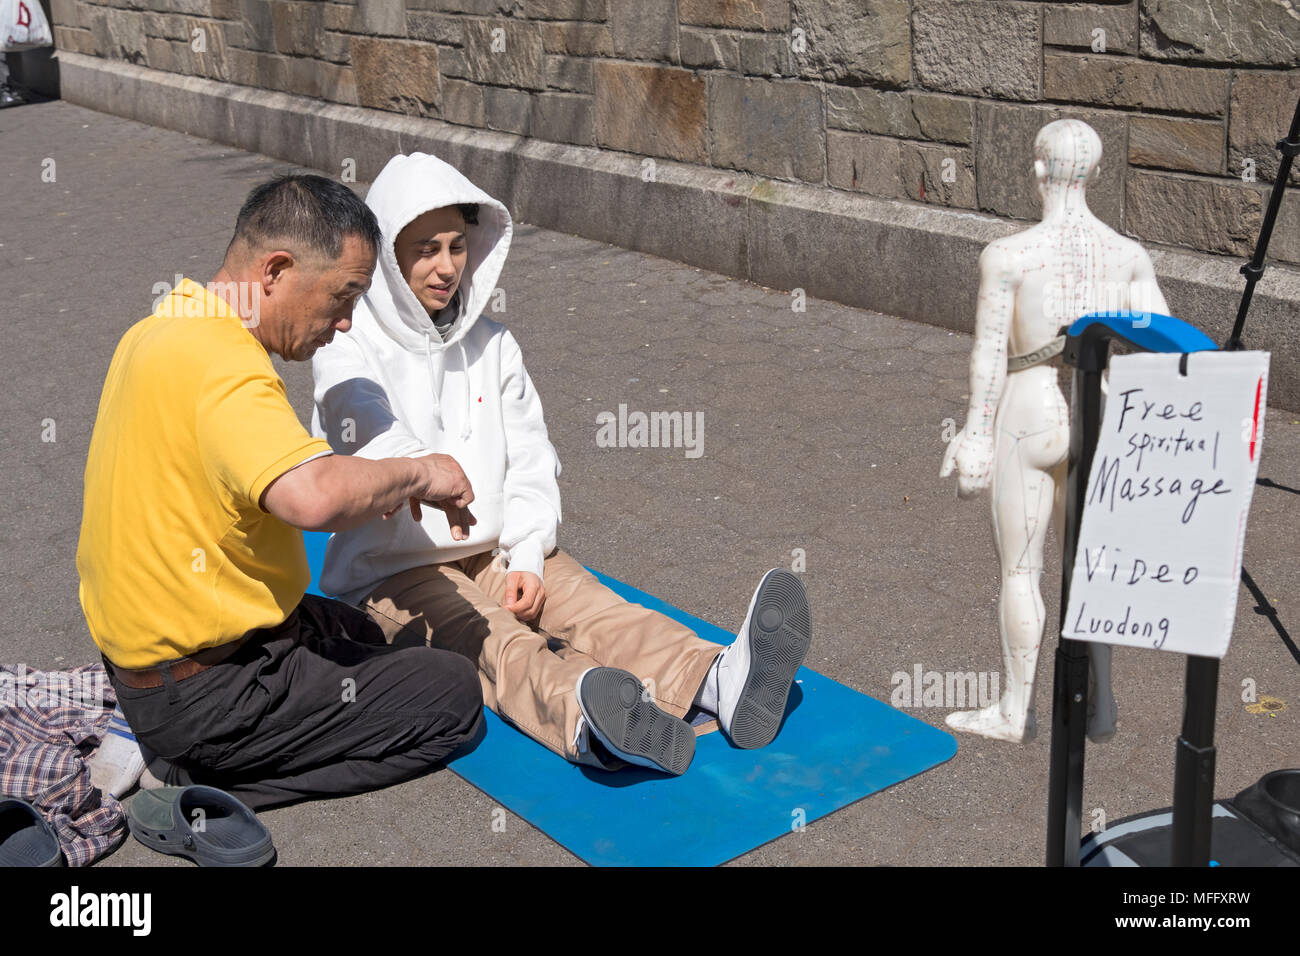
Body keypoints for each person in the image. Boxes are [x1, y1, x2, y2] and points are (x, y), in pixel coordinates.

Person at [312, 152, 813, 776]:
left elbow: (529, 455)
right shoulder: (345, 339)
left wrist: (525, 554)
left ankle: (717, 679)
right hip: (393, 571)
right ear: (387, 255)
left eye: (457, 246)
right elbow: (360, 424)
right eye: (424, 250)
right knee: (493, 641)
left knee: (593, 608)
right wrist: (424, 469)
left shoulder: (493, 344)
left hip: (493, 547)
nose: (446, 267)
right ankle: (590, 718)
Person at [77, 174, 485, 810]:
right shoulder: (224, 366)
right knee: (453, 697)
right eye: (341, 295)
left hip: (156, 663)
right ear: (275, 270)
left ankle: (193, 732)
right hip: (203, 691)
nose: (346, 322)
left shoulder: (162, 327)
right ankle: (198, 781)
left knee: (368, 637)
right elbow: (314, 498)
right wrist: (422, 471)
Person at [940, 119, 1168, 743]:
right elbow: (1163, 345)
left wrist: (975, 436)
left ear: (1038, 170)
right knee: (1089, 564)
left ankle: (1017, 709)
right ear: (1096, 174)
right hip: (1099, 411)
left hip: (1029, 409)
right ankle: (1103, 704)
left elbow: (989, 354)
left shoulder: (1009, 255)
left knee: (1020, 570)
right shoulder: (1128, 255)